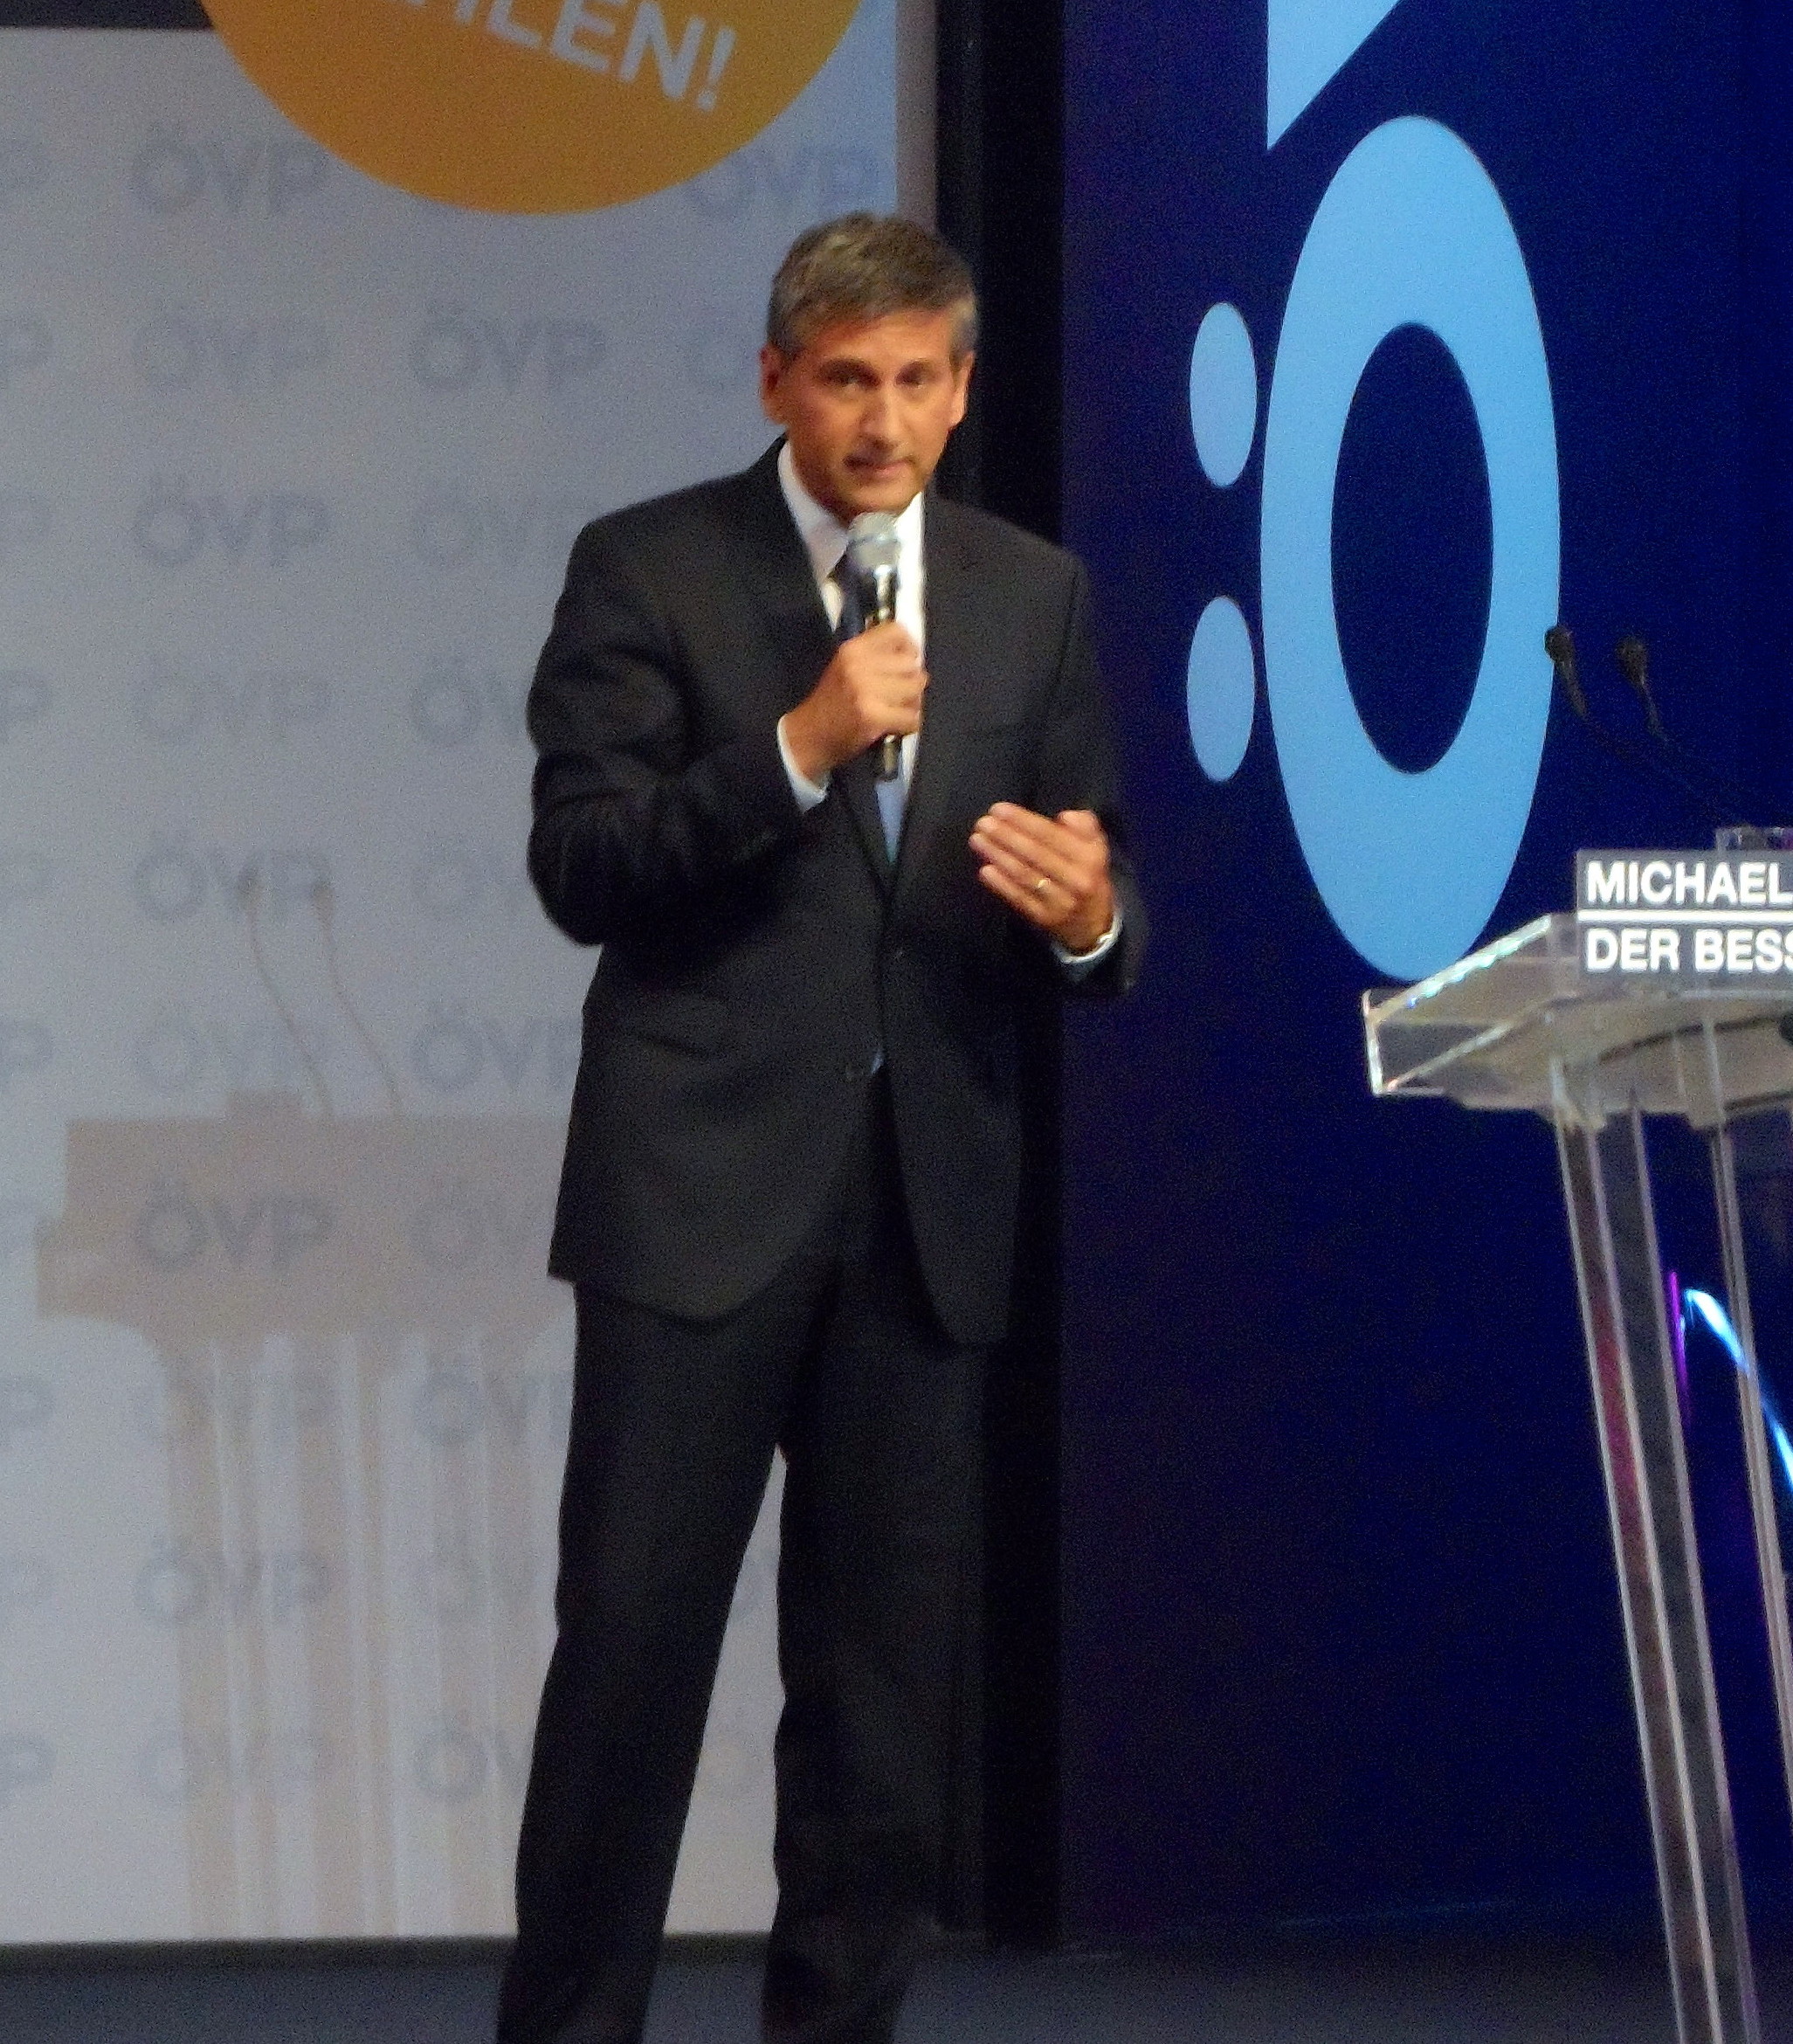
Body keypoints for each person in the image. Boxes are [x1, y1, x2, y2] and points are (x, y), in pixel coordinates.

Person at [498, 212, 1144, 2044]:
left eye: (916, 381)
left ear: (963, 390)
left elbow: (1091, 874)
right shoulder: (649, 567)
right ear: (776, 379)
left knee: (879, 1709)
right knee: (630, 1666)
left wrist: (1090, 916)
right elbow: (582, 867)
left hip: (924, 1216)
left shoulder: (1032, 595)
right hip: (695, 1204)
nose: (882, 419)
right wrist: (792, 747)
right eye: (847, 379)